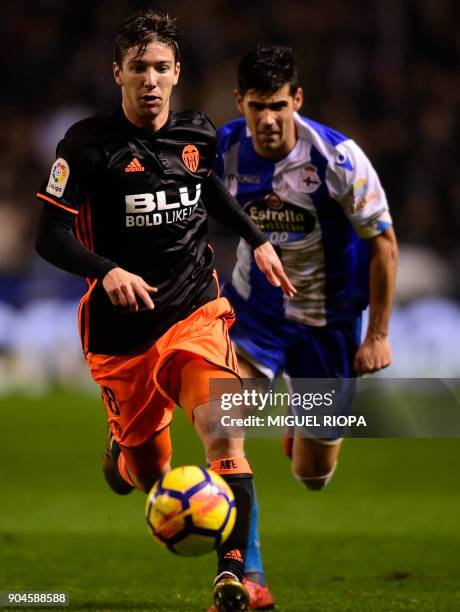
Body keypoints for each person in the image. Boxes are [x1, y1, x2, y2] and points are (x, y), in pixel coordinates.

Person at [35, 14, 295, 612]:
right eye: (138, 69)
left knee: (225, 433)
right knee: (146, 472)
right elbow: (48, 235)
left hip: (194, 314)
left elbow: (210, 192)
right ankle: (122, 456)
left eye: (160, 68)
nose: (150, 80)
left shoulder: (197, 133)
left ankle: (234, 579)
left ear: (176, 73)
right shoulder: (86, 145)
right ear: (117, 73)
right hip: (121, 334)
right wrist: (107, 269)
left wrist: (256, 237)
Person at [214, 43, 398, 608]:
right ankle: (249, 575)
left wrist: (378, 336)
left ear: (297, 99)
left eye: (277, 105)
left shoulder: (337, 158)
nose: (267, 120)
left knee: (313, 475)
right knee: (222, 426)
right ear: (239, 101)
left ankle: (302, 431)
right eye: (255, 106)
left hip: (328, 325)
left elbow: (384, 248)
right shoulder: (223, 148)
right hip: (255, 317)